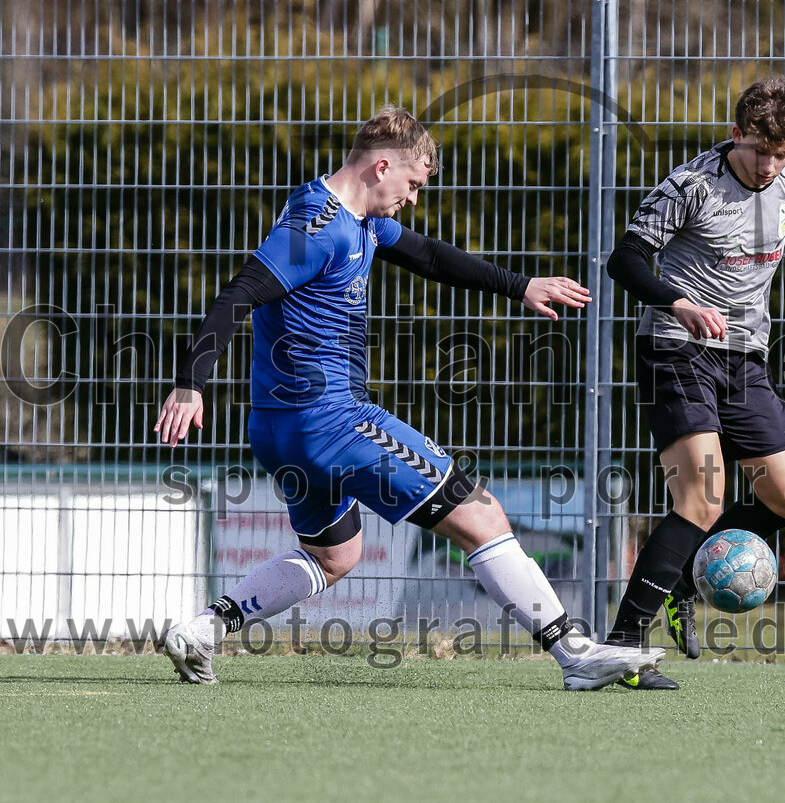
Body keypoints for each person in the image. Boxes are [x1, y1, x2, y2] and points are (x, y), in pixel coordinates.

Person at [154, 106, 663, 690]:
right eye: (413, 184)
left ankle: (204, 630)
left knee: (334, 556)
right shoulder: (319, 228)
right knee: (482, 515)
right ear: (381, 167)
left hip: (280, 432)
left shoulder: (359, 220)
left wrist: (520, 285)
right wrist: (191, 382)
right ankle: (576, 655)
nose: (413, 198)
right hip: (333, 423)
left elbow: (429, 255)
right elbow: (239, 293)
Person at [602, 77, 785, 689]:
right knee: (702, 497)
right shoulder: (691, 185)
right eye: (759, 151)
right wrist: (677, 302)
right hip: (676, 348)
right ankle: (622, 648)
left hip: (746, 358)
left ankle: (682, 582)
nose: (769, 166)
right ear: (737, 133)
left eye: (782, 154)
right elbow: (625, 258)